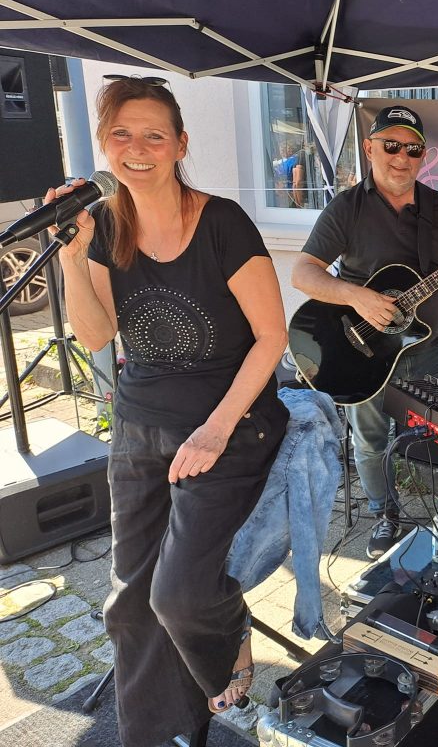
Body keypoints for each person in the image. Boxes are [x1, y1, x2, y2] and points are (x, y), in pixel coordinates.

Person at [52, 75, 289, 746]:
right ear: (104, 144)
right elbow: (97, 335)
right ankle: (162, 735)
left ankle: (228, 645)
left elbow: (271, 336)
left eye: (154, 135)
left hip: (230, 425)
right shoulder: (104, 227)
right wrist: (72, 258)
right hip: (138, 425)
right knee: (130, 605)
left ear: (180, 144)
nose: (138, 148)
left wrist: (215, 429)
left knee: (178, 595)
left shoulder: (222, 223)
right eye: (121, 134)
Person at [292, 104, 438, 559]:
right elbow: (303, 272)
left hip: (426, 344)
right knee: (371, 441)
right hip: (363, 350)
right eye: (391, 145)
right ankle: (384, 514)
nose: (401, 157)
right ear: (370, 149)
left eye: (412, 149)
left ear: (423, 156)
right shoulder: (347, 207)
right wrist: (356, 297)